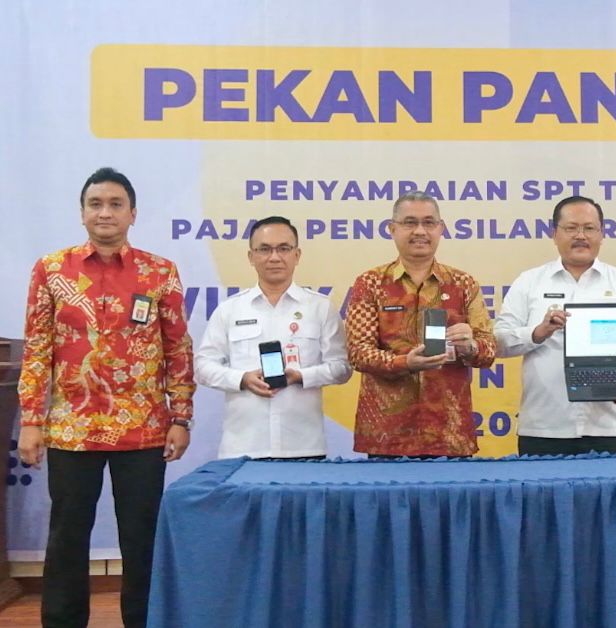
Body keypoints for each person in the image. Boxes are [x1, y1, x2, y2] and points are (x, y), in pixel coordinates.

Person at [17, 167, 195, 628]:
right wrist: (32, 421)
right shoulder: (52, 269)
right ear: (82, 213)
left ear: (132, 214)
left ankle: (145, 620)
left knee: (142, 537)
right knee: (67, 536)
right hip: (72, 429)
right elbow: (37, 350)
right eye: (95, 204)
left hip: (143, 429)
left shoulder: (159, 272)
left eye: (116, 204)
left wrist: (181, 417)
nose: (105, 213)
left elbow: (177, 347)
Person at [346, 191, 495, 458]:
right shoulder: (370, 283)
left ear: (440, 228)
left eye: (428, 223)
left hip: (449, 433)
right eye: (409, 223)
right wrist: (405, 363)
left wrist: (470, 346)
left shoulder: (463, 284)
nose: (420, 231)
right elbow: (358, 353)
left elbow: (489, 350)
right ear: (392, 229)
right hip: (387, 435)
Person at [494, 195, 616, 456]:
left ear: (602, 234)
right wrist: (538, 333)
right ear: (554, 234)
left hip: (608, 428)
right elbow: (498, 343)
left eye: (589, 228)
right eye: (571, 228)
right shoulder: (529, 282)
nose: (580, 236)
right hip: (543, 427)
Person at [195, 216, 351, 459]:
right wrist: (242, 379)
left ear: (297, 255)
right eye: (265, 249)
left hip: (304, 446)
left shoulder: (320, 308)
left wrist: (302, 376)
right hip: (244, 446)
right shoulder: (230, 310)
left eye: (284, 248)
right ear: (251, 257)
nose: (275, 257)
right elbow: (203, 367)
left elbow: (342, 368)